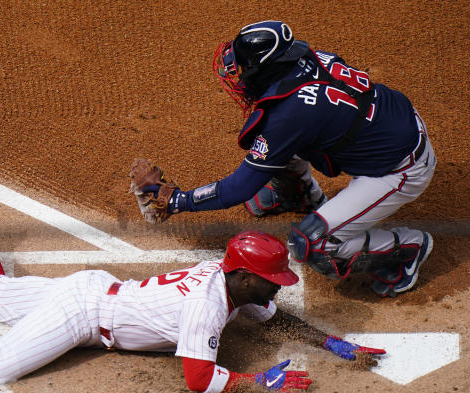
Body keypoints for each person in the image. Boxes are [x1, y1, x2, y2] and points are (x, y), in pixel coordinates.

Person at [0, 182, 384, 393]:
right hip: (83, 314)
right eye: (273, 283)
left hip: (94, 292)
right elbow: (199, 379)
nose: (277, 291)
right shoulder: (207, 306)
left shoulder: (234, 286)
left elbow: (278, 317)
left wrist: (334, 343)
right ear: (245, 276)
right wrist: (259, 381)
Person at [140, 20, 436, 297]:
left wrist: (181, 201)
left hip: (399, 169)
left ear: (265, 68)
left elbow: (239, 189)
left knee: (310, 243)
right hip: (394, 126)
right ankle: (297, 194)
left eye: (243, 68)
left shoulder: (289, 115)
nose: (239, 76)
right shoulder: (311, 59)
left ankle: (406, 250)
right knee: (280, 145)